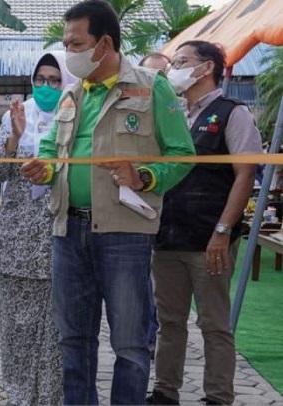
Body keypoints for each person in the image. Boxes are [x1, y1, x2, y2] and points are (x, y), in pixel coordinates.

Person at [20, 1, 196, 404]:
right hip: (68, 230)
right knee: (73, 341)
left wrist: (145, 176)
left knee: (131, 344)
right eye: (66, 43)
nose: (68, 51)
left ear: (104, 44)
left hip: (124, 234)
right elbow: (51, 150)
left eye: (75, 43)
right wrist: (42, 169)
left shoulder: (152, 86)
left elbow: (182, 154)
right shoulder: (71, 92)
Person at [147, 40, 262, 406]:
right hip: (167, 235)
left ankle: (218, 396)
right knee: (170, 321)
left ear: (206, 68)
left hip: (210, 238)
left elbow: (245, 175)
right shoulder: (174, 112)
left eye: (182, 61)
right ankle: (165, 392)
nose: (174, 68)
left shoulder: (233, 113)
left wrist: (223, 232)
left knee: (213, 323)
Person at [0, 51, 76, 406]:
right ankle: (19, 396)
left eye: (56, 80)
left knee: (55, 329)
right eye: (41, 79)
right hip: (18, 238)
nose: (47, 87)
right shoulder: (16, 115)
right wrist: (13, 139)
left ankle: (50, 398)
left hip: (62, 233)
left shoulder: (77, 117)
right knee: (17, 327)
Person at [138, 51, 172, 359]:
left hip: (179, 225)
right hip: (141, 214)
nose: (157, 82)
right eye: (150, 76)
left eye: (163, 76)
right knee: (144, 286)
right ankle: (148, 339)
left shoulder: (175, 113)